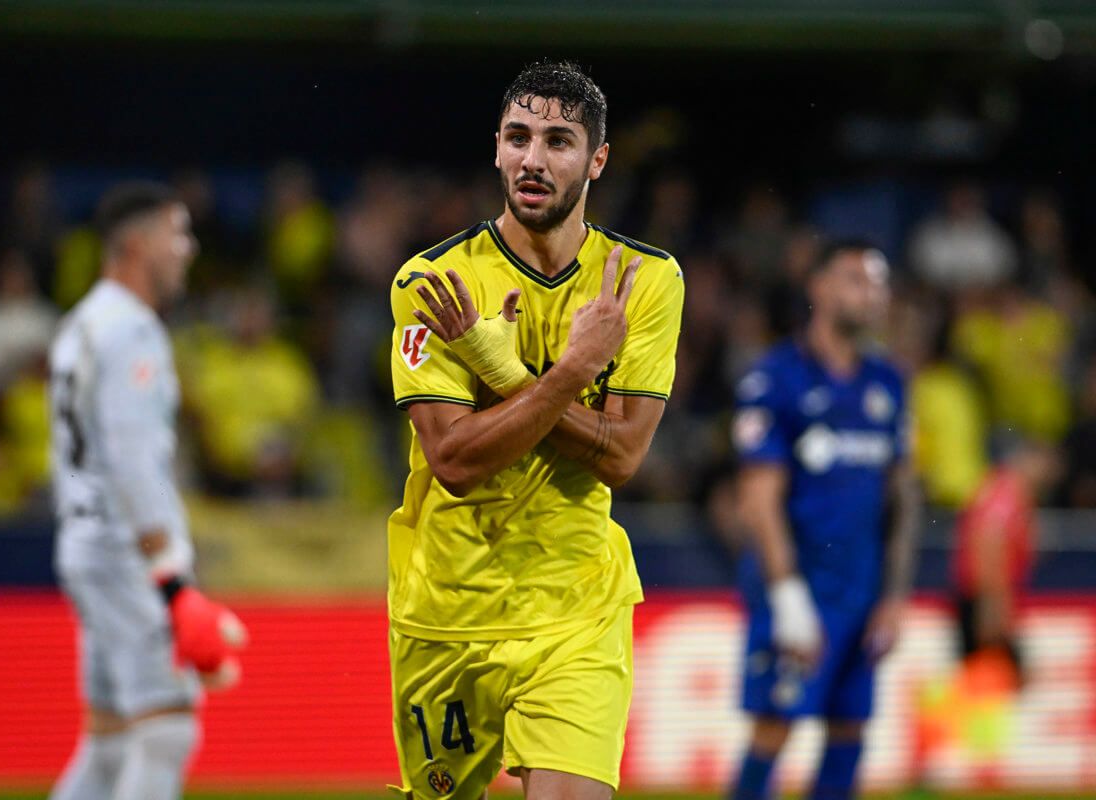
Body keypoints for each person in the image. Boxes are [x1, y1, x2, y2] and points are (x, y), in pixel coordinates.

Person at [386, 60, 684, 799]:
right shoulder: (433, 280)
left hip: (577, 606)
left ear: (598, 160)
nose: (533, 159)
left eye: (559, 141)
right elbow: (454, 461)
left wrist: (505, 376)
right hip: (450, 610)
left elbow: (622, 459)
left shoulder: (644, 281)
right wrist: (572, 371)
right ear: (495, 148)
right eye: (518, 137)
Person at [48, 182, 246, 800]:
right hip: (126, 554)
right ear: (137, 246)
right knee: (166, 729)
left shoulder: (80, 324)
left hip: (86, 543)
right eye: (177, 235)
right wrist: (171, 578)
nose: (188, 250)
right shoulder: (132, 332)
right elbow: (132, 460)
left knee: (110, 743)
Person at [728, 241, 921, 800]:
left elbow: (902, 499)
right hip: (796, 589)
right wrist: (787, 597)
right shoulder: (776, 378)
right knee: (774, 726)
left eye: (879, 282)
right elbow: (758, 497)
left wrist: (894, 595)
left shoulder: (889, 383)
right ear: (819, 288)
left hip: (862, 592)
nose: (873, 293)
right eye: (857, 279)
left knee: (849, 731)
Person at [953, 437, 1060, 686]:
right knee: (995, 683)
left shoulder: (1010, 493)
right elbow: (988, 544)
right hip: (987, 603)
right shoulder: (1006, 493)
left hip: (989, 601)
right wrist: (993, 609)